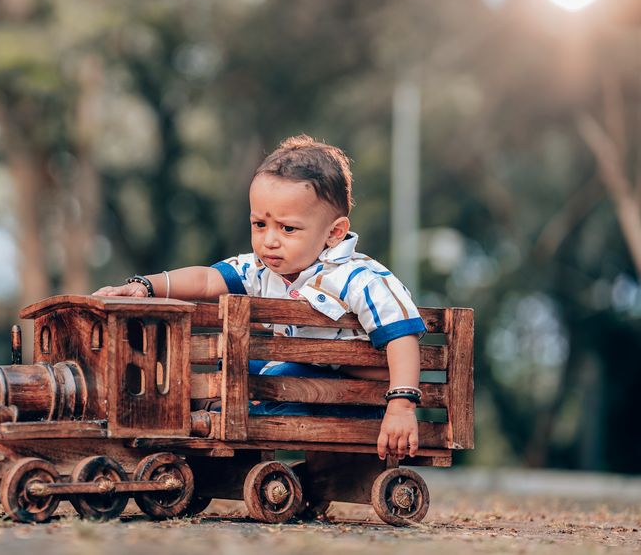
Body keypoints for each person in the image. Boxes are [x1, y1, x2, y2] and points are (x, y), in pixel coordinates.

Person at [94, 135, 425, 460]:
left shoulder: (360, 279)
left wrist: (401, 404)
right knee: (235, 362)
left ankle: (231, 415)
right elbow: (208, 279)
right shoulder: (261, 270)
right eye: (259, 224)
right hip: (307, 378)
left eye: (287, 229)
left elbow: (401, 336)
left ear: (334, 232)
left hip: (357, 399)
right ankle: (213, 411)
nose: (269, 241)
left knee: (280, 375)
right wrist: (145, 286)